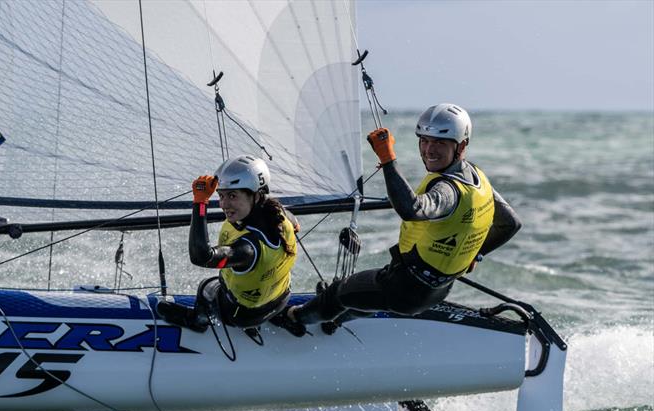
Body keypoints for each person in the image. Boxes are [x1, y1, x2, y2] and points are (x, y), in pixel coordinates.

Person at [287, 103, 521, 328]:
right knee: (362, 300)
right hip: (437, 289)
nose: (429, 149)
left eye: (440, 142)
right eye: (424, 140)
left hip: (404, 288)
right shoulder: (476, 178)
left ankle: (295, 319)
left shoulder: (448, 191)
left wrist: (388, 160)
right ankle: (335, 322)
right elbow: (510, 224)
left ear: (461, 146)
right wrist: (474, 255)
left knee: (339, 293)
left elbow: (413, 209)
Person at [157, 154, 300, 332]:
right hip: (280, 300)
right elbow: (295, 224)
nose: (224, 204)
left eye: (232, 196)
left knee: (207, 286)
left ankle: (198, 321)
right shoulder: (278, 214)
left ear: (256, 196)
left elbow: (202, 256)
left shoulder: (248, 249)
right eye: (221, 196)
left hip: (241, 316)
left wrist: (200, 202)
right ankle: (280, 316)